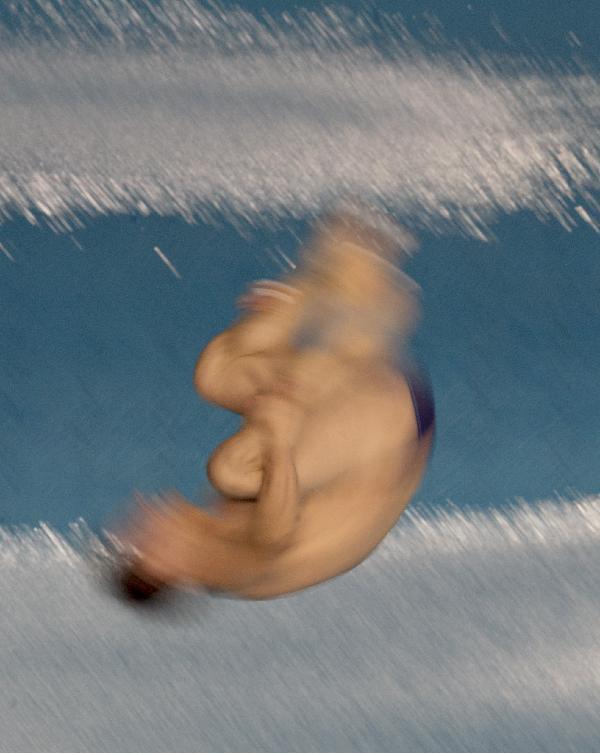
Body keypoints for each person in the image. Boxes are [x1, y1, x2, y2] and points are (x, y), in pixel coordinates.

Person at [115, 212, 434, 600]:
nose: (145, 518)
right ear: (167, 566)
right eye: (147, 541)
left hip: (383, 416)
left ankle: (322, 291)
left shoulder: (214, 539)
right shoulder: (224, 566)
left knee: (217, 375)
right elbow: (274, 536)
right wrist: (279, 438)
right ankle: (359, 307)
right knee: (232, 470)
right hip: (389, 426)